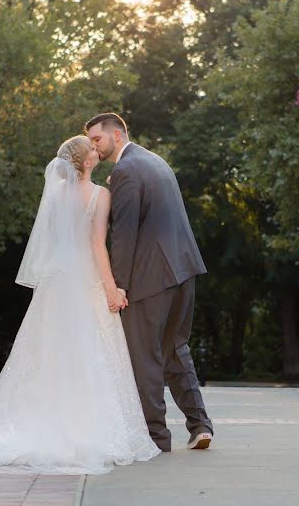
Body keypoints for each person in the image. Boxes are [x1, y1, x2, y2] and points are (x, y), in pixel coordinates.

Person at [0, 135, 159, 474]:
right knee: (86, 351)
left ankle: (46, 421)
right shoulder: (100, 195)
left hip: (55, 284)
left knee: (49, 353)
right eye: (93, 149)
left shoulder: (54, 195)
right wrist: (111, 288)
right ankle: (84, 428)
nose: (98, 151)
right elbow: (98, 245)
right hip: (83, 280)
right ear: (85, 163)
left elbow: (52, 241)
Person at [85, 113, 213, 452]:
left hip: (149, 277)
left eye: (97, 139)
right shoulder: (156, 161)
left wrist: (119, 285)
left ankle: (156, 437)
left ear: (116, 133)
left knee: (145, 357)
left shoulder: (125, 170)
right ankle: (200, 425)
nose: (93, 146)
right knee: (175, 350)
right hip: (183, 270)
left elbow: (124, 235)